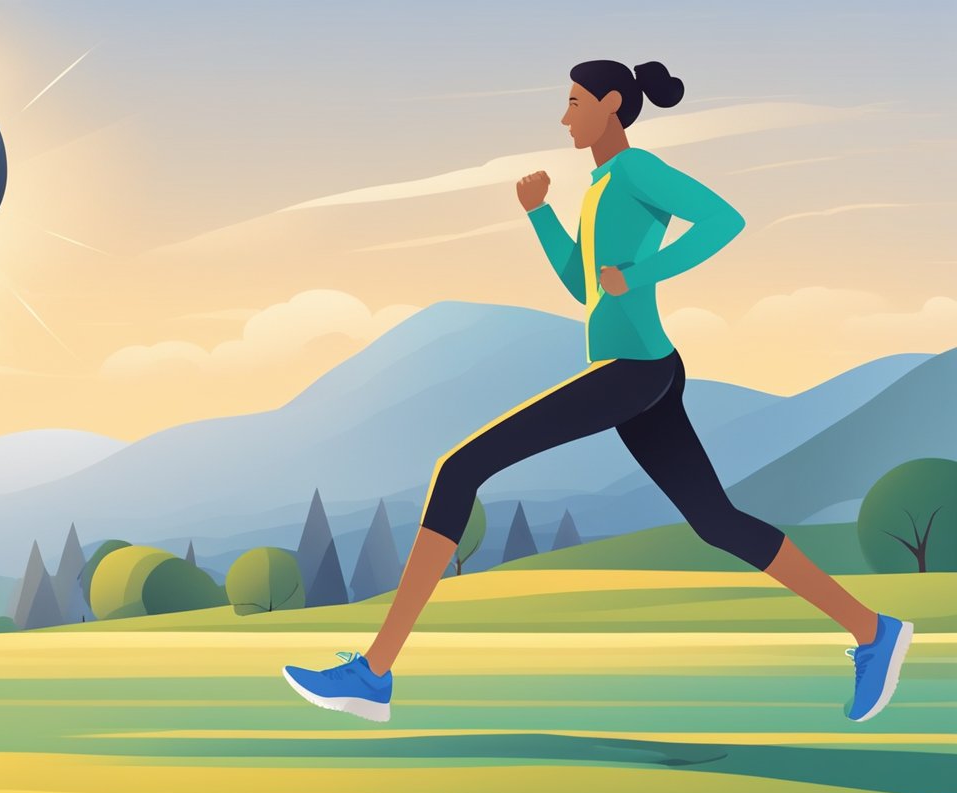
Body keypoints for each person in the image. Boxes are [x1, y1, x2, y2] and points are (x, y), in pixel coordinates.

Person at [281, 59, 912, 724]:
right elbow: (583, 289)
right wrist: (540, 216)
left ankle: (375, 673)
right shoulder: (601, 187)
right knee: (716, 521)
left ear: (611, 103)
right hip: (644, 369)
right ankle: (873, 631)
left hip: (633, 372)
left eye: (575, 101)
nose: (565, 116)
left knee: (458, 468)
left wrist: (642, 273)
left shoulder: (636, 172)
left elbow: (725, 220)